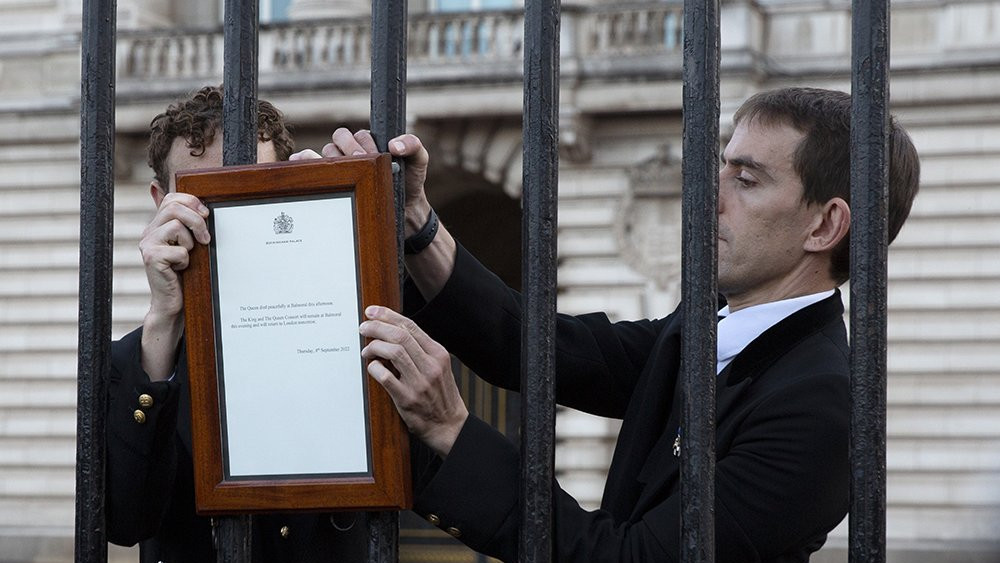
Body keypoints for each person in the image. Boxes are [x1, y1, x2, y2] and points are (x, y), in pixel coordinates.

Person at [314, 87, 920, 561]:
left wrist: (451, 427)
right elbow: (539, 349)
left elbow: (625, 557)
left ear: (824, 227)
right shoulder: (707, 324)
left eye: (747, 178)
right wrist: (419, 227)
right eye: (721, 167)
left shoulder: (820, 406)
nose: (710, 194)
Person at [105, 86, 366, 563]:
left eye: (247, 189)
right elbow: (124, 523)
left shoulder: (345, 323)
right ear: (162, 201)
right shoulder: (133, 364)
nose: (228, 216)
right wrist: (165, 318)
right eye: (205, 197)